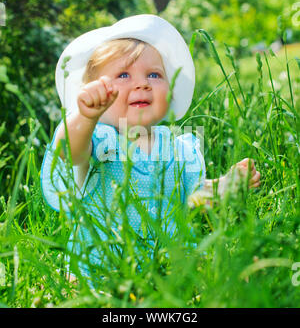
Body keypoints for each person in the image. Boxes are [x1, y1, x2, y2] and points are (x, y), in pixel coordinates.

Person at [40, 14, 260, 282]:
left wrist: (225, 186)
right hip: (101, 272)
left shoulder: (178, 146)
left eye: (154, 74)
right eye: (123, 74)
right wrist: (85, 118)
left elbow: (190, 198)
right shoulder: (98, 139)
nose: (142, 83)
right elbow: (68, 152)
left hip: (167, 271)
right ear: (94, 91)